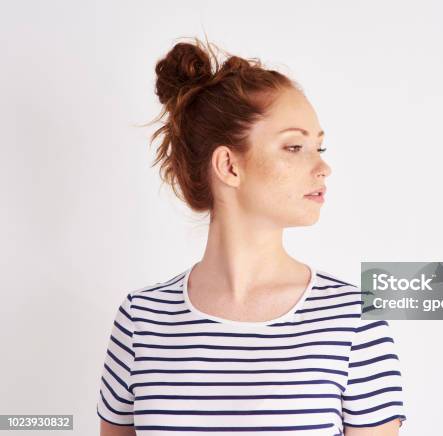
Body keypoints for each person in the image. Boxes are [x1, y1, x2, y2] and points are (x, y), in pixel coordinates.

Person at [96, 36, 407, 436]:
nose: (323, 167)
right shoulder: (142, 321)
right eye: (294, 147)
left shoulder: (354, 323)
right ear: (228, 165)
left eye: (320, 146)